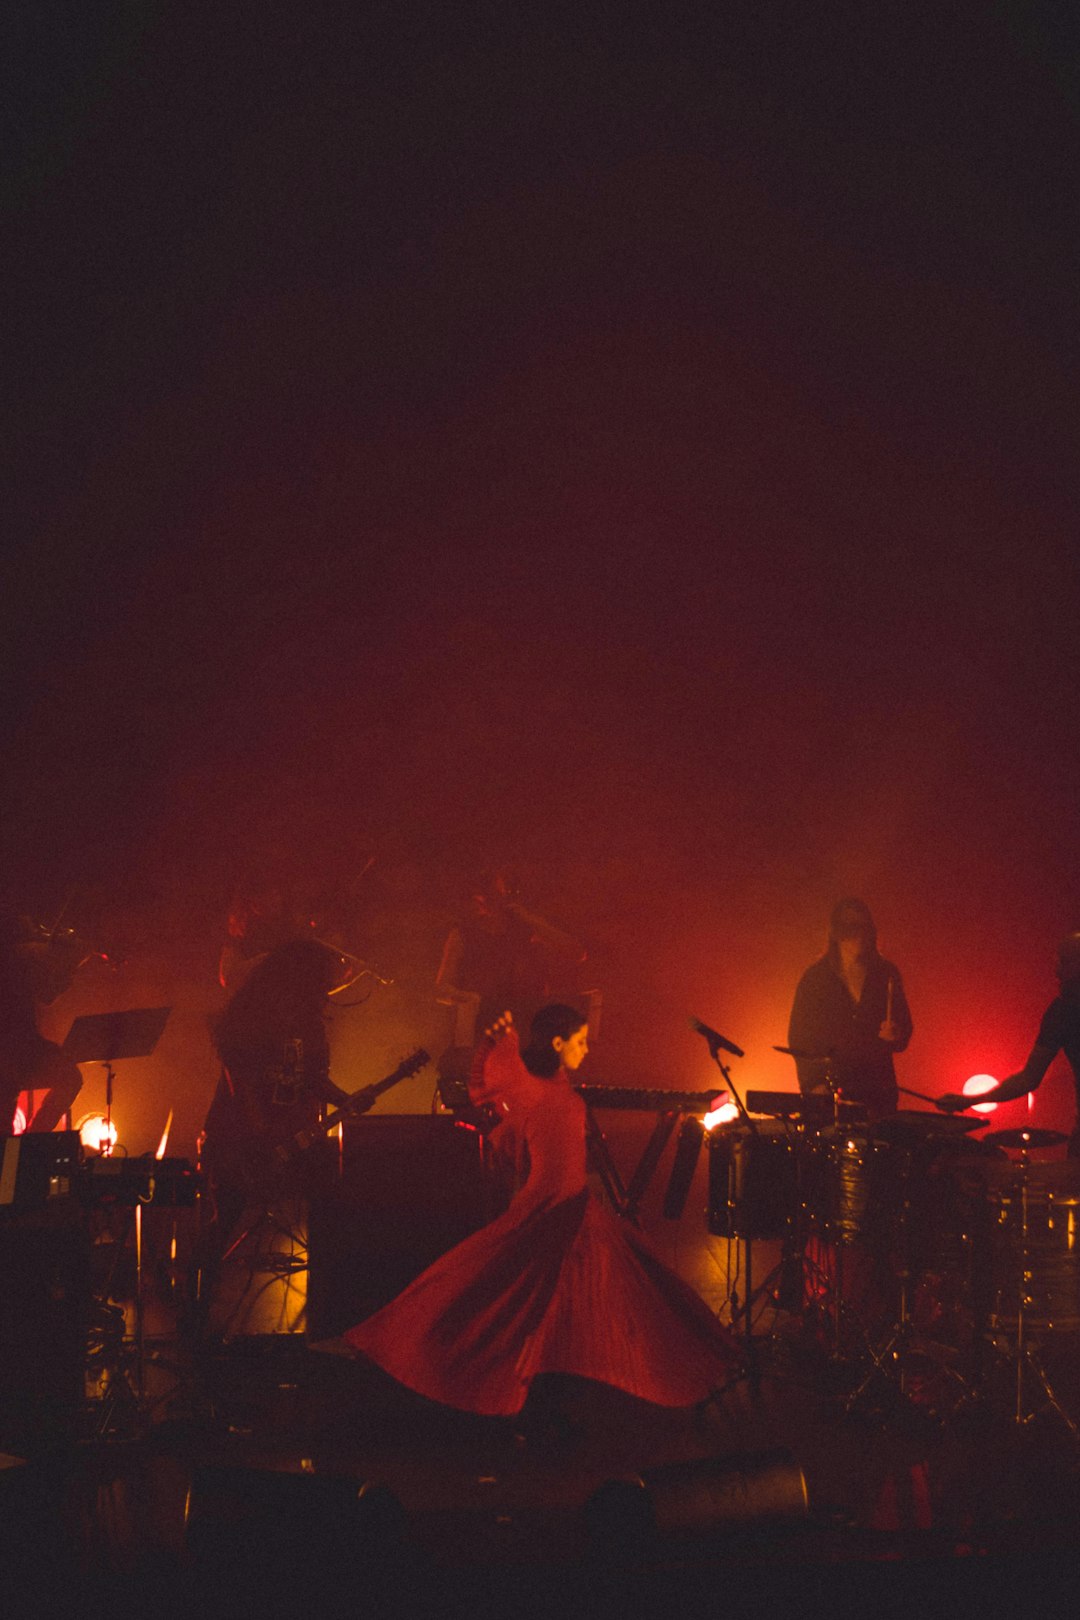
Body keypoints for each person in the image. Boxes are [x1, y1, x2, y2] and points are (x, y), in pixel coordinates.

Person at [339, 1003, 741, 1416]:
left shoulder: (552, 1087)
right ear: (557, 1042)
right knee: (524, 1295)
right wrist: (505, 1042)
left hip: (568, 1208)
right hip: (554, 1209)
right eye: (580, 1041)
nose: (586, 1049)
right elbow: (528, 1121)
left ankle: (560, 1383)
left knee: (560, 1296)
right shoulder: (545, 1096)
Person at [193, 937, 355, 1330]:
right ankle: (195, 1313)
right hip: (240, 1137)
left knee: (331, 1208)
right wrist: (259, 1132)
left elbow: (314, 1078)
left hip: (291, 1136)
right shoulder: (253, 1018)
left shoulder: (309, 1022)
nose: (326, 987)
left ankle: (327, 1315)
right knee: (226, 1220)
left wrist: (346, 1099)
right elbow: (241, 1080)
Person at [936, 930, 1080, 1155]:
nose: (1056, 971)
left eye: (1062, 962)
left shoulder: (1061, 1012)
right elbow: (1028, 1079)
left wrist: (969, 1100)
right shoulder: (1060, 1012)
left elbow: (1028, 1079)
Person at [787, 897, 913, 1122]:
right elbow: (799, 1038)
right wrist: (813, 1085)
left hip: (878, 1093)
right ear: (836, 933)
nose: (859, 935)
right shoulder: (816, 979)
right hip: (831, 1094)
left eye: (864, 927)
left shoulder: (886, 974)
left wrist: (896, 1034)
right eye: (851, 928)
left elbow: (904, 1030)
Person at [435, 870, 587, 1049]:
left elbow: (576, 952)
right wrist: (470, 998)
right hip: (486, 1030)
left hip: (527, 1029)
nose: (490, 903)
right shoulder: (463, 935)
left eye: (497, 895)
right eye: (484, 897)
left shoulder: (525, 929)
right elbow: (441, 989)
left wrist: (531, 920)